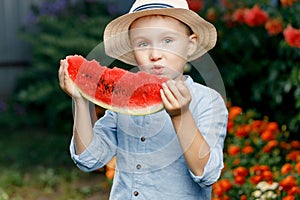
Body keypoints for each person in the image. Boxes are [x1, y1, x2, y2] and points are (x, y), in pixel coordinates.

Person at [58, 0, 228, 199]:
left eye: (167, 41)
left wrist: (181, 116)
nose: (155, 54)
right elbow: (89, 159)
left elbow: (207, 174)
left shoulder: (208, 102)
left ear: (190, 45)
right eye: (143, 44)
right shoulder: (122, 99)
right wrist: (82, 100)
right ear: (133, 50)